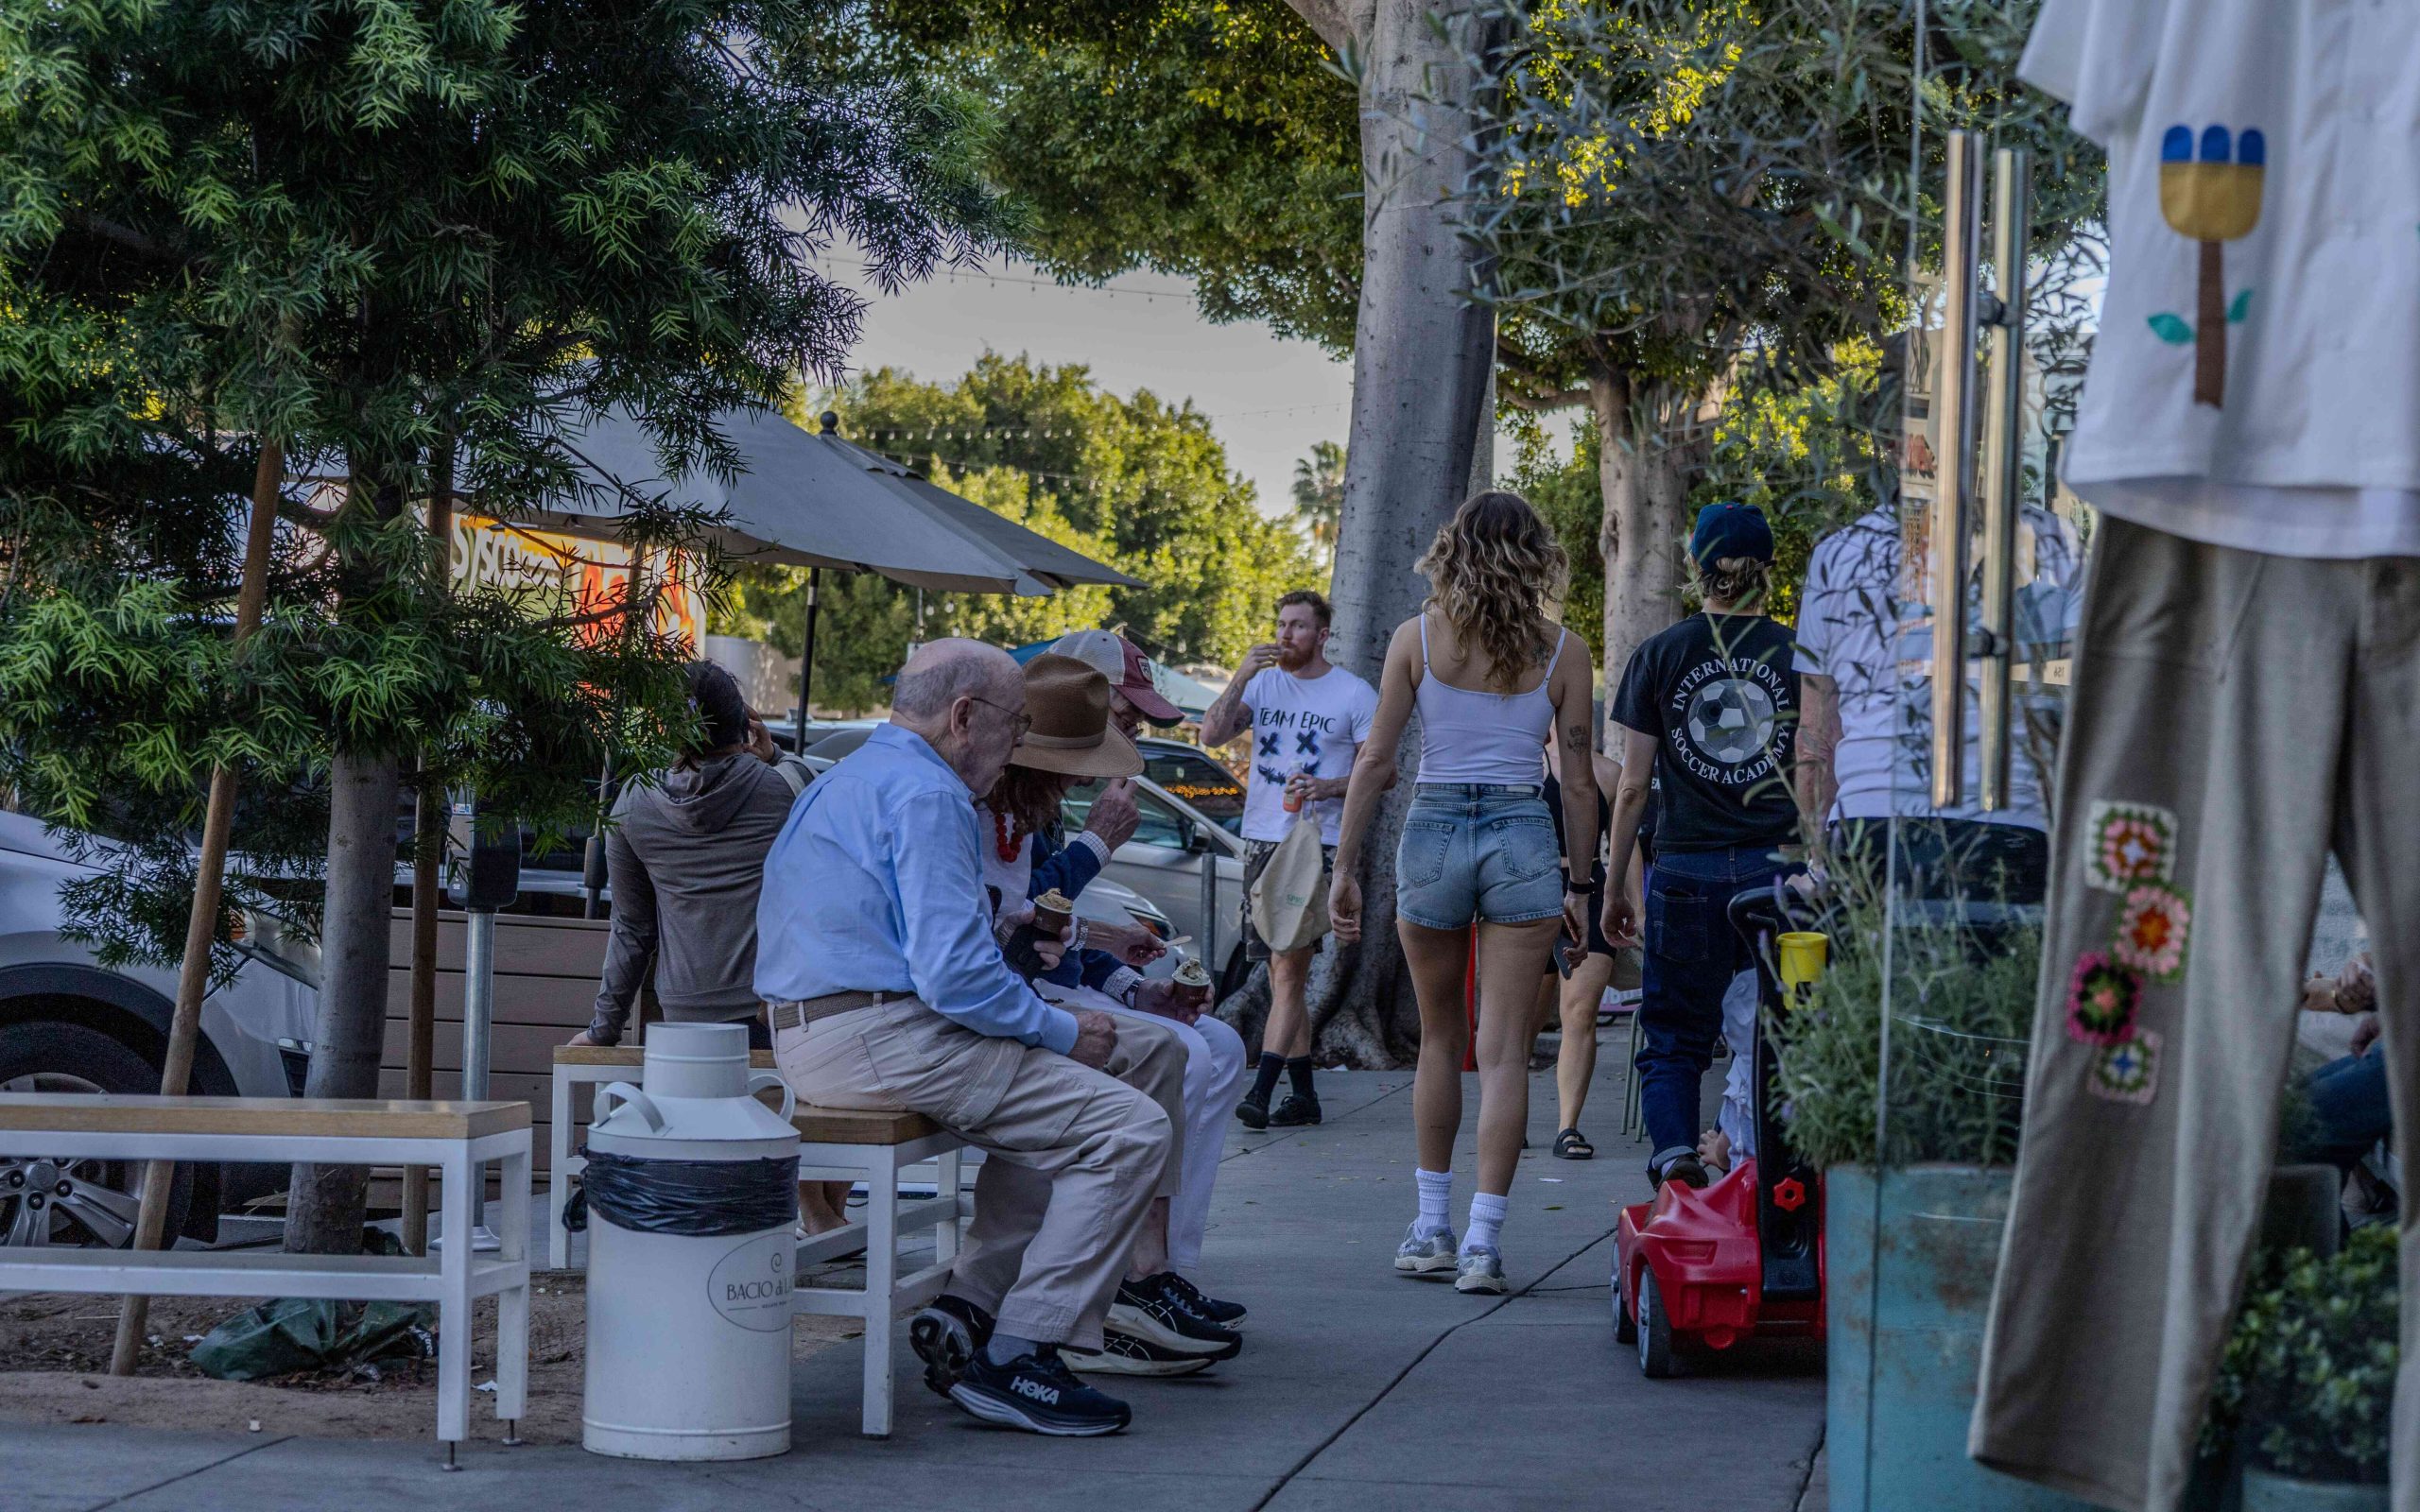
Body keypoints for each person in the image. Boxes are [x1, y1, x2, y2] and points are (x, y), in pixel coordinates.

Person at [756, 639, 1188, 1437]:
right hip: (876, 1037)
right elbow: (953, 979)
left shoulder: (854, 775)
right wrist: (1061, 1031)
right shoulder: (929, 793)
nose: (1017, 743)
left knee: (1099, 1093)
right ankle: (1022, 1352)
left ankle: (977, 1307)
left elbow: (914, 947)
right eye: (1015, 724)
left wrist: (1023, 945)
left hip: (835, 1031)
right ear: (963, 717)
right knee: (1129, 1129)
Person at [1330, 490, 1600, 1294]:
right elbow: (1576, 782)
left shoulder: (1416, 639)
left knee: (1440, 1042)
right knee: (1506, 1050)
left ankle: (1430, 1227)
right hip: (1522, 832)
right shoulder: (1565, 651)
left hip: (1435, 830)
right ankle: (1483, 1242)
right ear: (1535, 556)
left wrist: (1343, 866)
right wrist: (1583, 885)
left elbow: (1376, 761)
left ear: (1452, 551)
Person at [977, 652, 1251, 1376]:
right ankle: (1132, 1281)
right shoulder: (992, 805)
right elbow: (1022, 925)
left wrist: (1132, 985)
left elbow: (1053, 929)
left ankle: (1162, 1270)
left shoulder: (1031, 807)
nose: (1122, 734)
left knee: (1217, 1046)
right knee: (1184, 1053)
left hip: (1038, 992)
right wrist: (1097, 845)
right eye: (1118, 717)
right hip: (998, 1009)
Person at [567, 662, 851, 1233]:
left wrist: (602, 1029)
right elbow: (832, 818)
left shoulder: (633, 802)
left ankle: (816, 1218)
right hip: (781, 1008)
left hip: (686, 1020)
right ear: (743, 724)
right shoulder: (782, 789)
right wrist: (773, 755)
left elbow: (632, 930)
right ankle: (821, 1217)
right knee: (822, 1091)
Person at [1603, 503, 1801, 1191]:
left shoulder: (1659, 654)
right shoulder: (1797, 655)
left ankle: (1676, 1161)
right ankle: (1768, 1172)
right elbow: (1817, 764)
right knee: (1783, 1029)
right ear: (1766, 569)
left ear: (1696, 567)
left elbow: (1633, 787)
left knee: (1673, 1036)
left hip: (1686, 871)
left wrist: (1614, 886)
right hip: (1777, 872)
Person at [1793, 496, 2081, 906]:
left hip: (1870, 820)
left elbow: (1816, 737)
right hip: (2013, 823)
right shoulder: (2058, 543)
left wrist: (1818, 865)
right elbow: (2082, 713)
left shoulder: (1838, 555)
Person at [1200, 591, 1378, 1129]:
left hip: (1314, 842)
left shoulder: (1352, 692)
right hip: (1261, 838)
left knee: (1288, 965)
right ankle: (1304, 1097)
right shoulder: (1262, 684)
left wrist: (1329, 786)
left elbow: (1383, 771)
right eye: (1281, 624)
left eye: (1298, 626)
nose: (1284, 635)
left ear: (1322, 635)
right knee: (1282, 974)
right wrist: (1240, 674)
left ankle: (1261, 1090)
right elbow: (1211, 735)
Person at [1536, 736, 1630, 1160]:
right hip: (1529, 893)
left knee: (1579, 1011)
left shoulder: (1608, 773)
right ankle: (1510, 1116)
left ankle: (1567, 1127)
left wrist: (1632, 905)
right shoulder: (1525, 763)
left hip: (1589, 892)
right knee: (1522, 1022)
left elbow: (1628, 845)